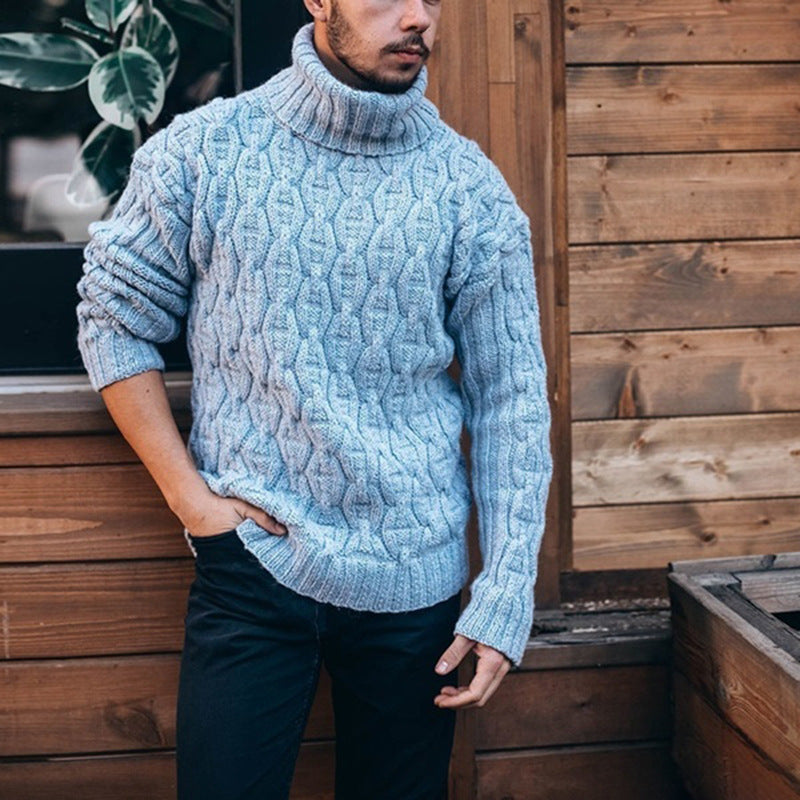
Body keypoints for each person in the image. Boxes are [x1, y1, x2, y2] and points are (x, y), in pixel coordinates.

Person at [75, 0, 553, 797]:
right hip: (251, 565)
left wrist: (504, 593)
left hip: (415, 585)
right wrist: (192, 501)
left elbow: (512, 399)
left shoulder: (468, 187)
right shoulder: (205, 150)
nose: (417, 18)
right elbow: (113, 318)